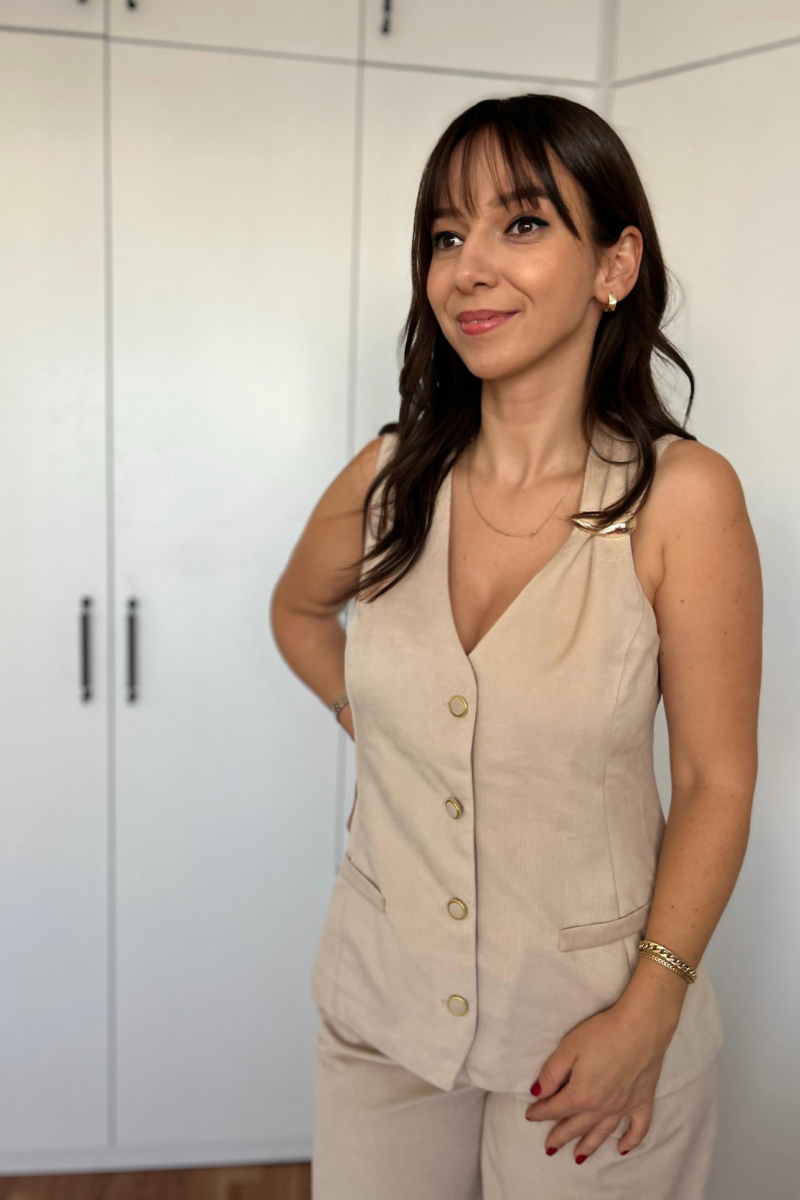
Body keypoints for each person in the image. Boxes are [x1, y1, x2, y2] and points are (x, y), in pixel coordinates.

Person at [270, 93, 762, 1199]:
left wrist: (650, 1008)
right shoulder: (388, 478)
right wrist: (375, 730)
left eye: (522, 224)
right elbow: (297, 615)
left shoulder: (682, 498)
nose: (469, 269)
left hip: (592, 1030)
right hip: (384, 1008)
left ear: (614, 264)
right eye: (446, 236)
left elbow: (714, 780)